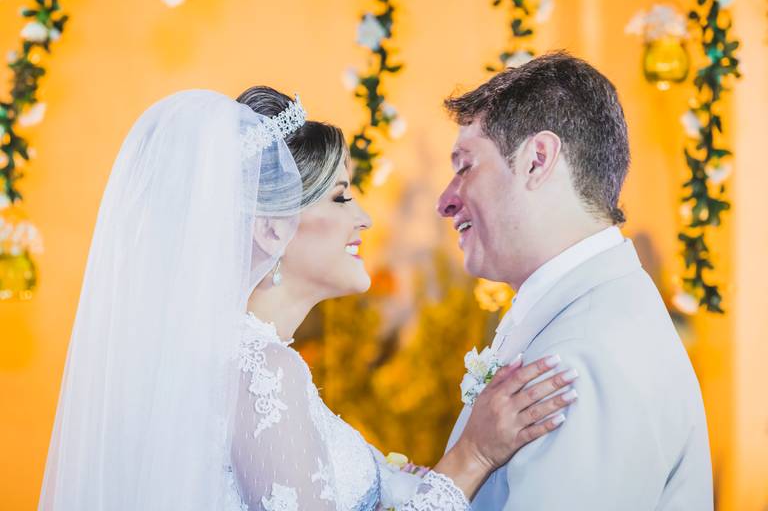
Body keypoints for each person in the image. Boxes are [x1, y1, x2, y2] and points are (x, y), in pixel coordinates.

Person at [38, 87, 579, 510]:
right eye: (341, 197)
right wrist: (471, 456)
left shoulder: (222, 361)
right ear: (271, 229)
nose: (363, 218)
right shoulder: (259, 370)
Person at [438, 51, 713, 510]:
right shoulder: (591, 313)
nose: (445, 201)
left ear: (537, 160)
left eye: (465, 166)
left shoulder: (580, 357)